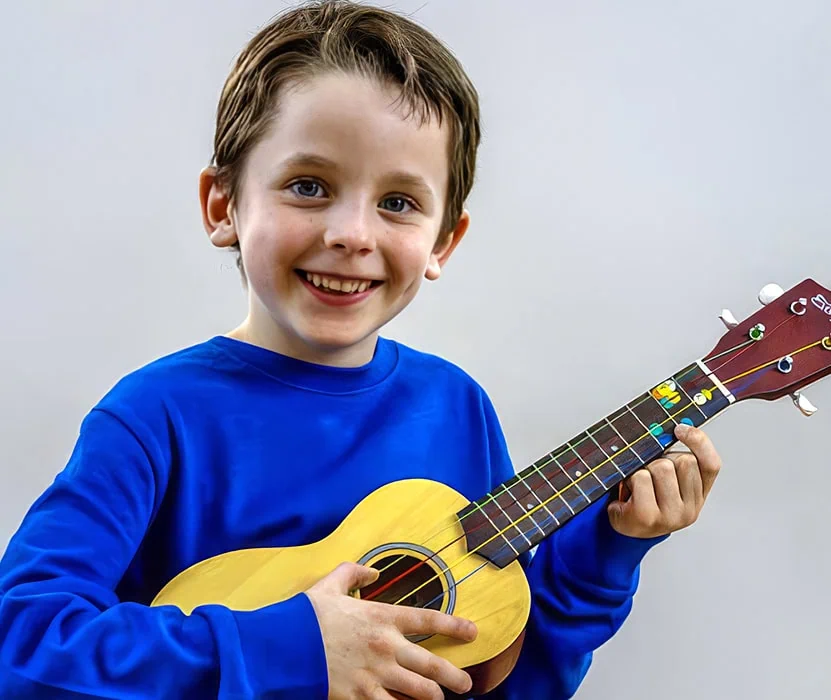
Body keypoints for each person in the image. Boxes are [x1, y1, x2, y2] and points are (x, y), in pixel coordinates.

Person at [0, 1, 722, 698]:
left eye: (398, 203)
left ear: (443, 242)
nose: (352, 234)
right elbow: (22, 646)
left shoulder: (455, 408)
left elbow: (498, 680)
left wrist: (606, 551)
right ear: (223, 206)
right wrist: (298, 650)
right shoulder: (154, 415)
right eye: (308, 186)